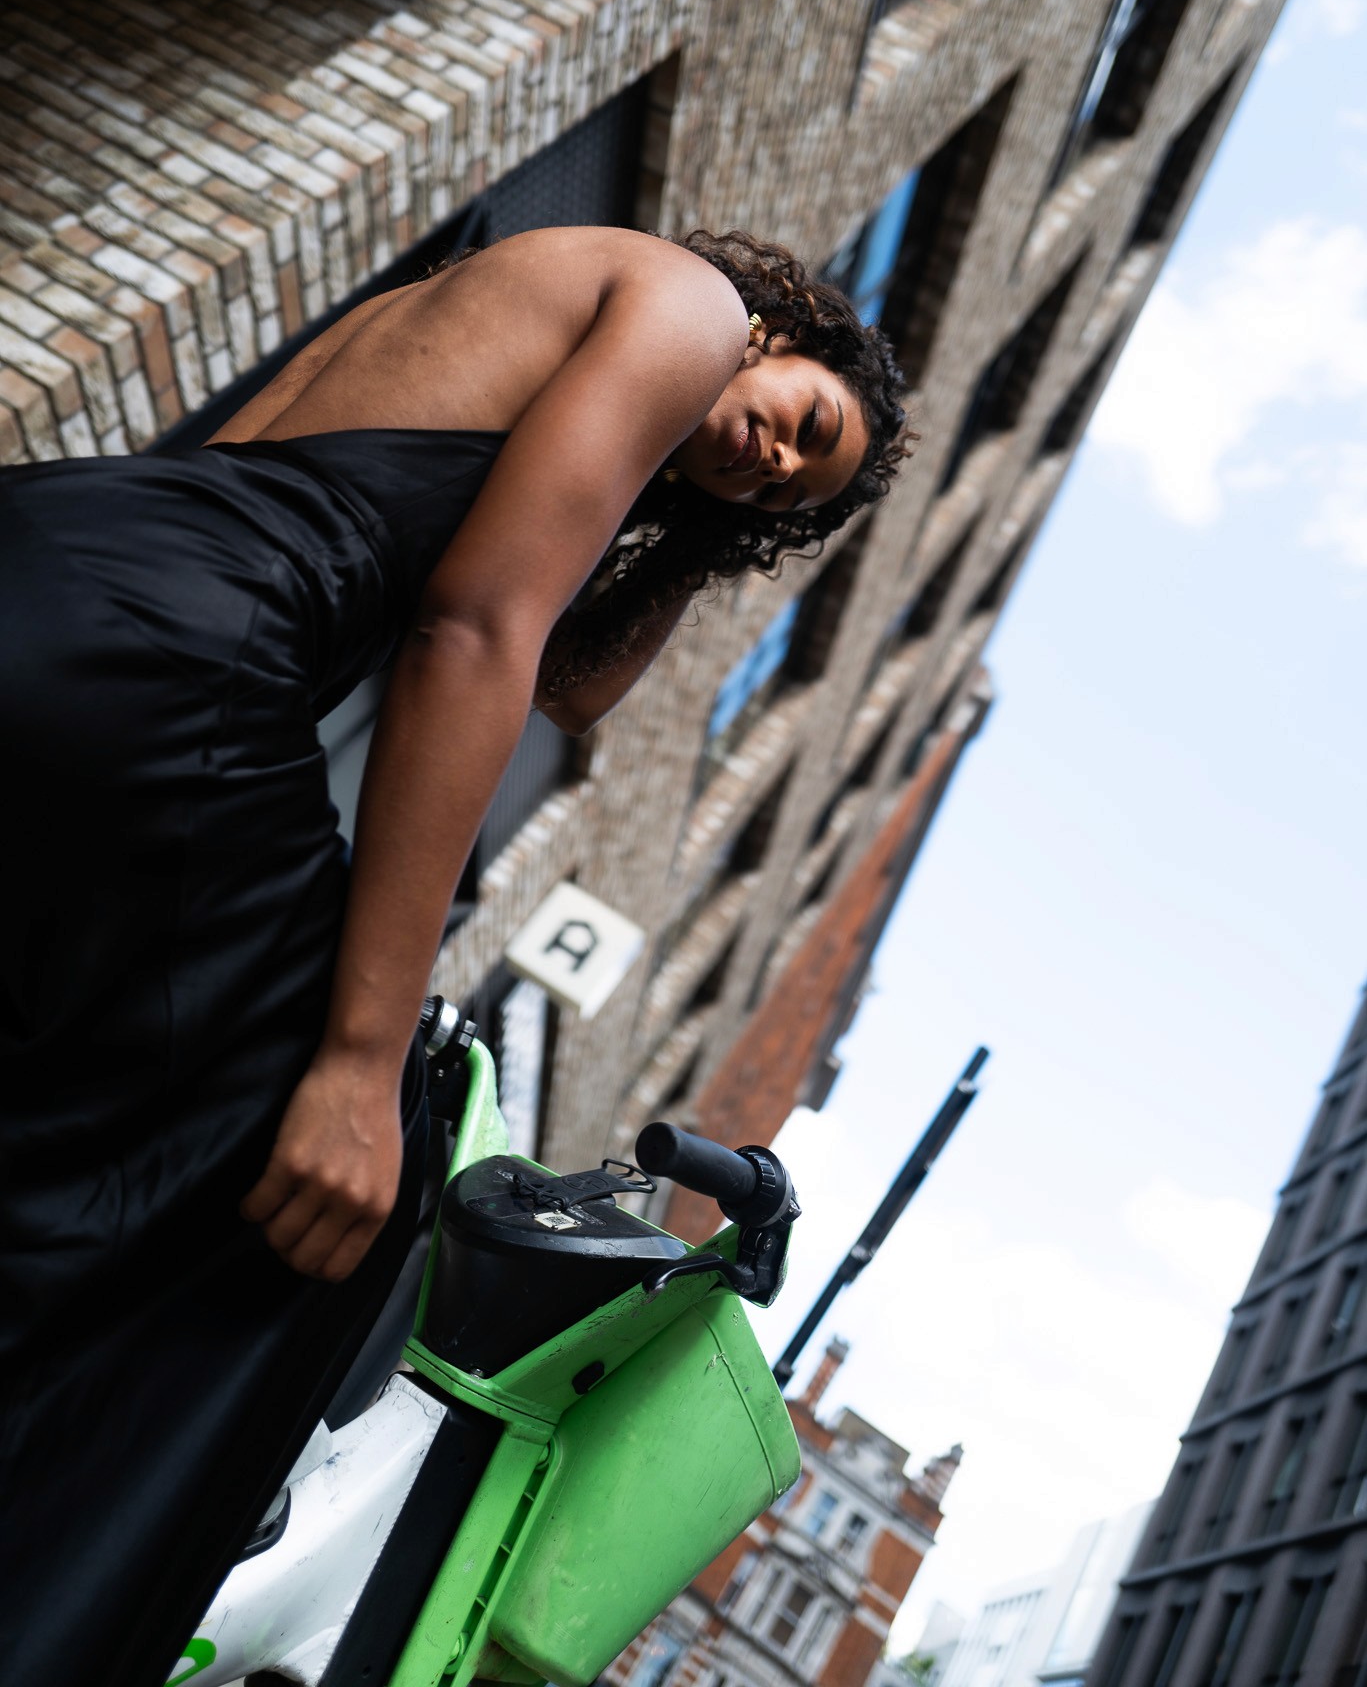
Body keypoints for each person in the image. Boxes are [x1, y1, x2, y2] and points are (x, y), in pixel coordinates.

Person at [0, 223, 906, 1687]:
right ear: (783, 329)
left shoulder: (514, 312)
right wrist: (357, 1061)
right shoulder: (687, 303)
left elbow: (569, 686)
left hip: (66, 559)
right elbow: (479, 633)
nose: (782, 461)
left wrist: (706, 525)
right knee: (344, 1180)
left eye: (801, 487)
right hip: (184, 665)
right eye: (806, 422)